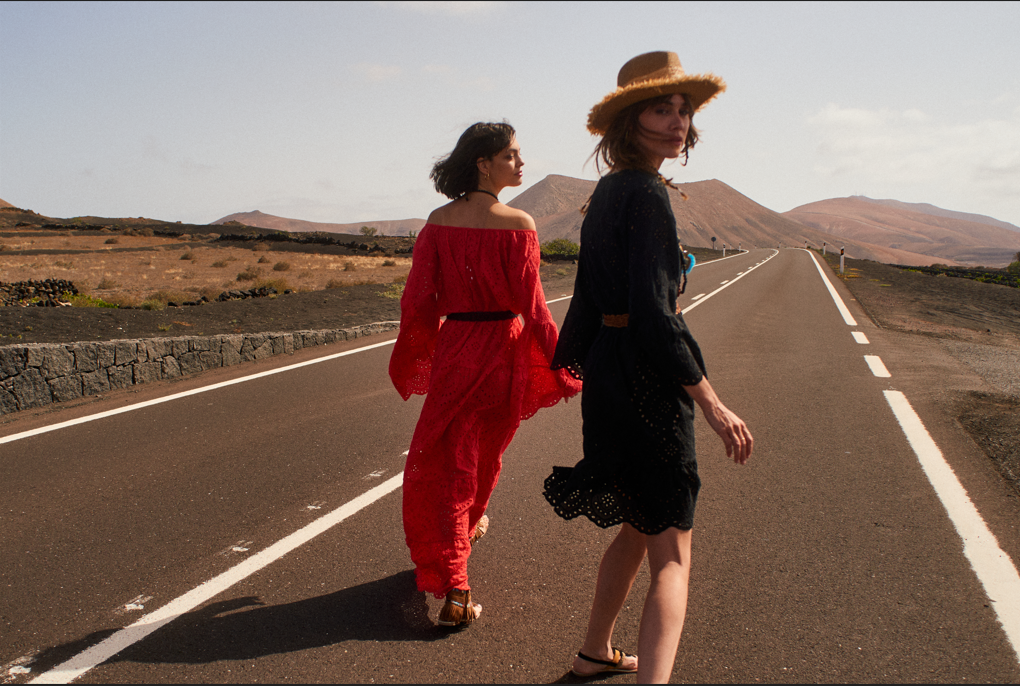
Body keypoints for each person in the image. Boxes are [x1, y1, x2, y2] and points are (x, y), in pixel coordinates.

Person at [543, 52, 754, 682]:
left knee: (639, 526)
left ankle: (593, 652)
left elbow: (589, 299)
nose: (677, 122)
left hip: (611, 374)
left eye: (683, 110)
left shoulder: (607, 191)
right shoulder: (646, 194)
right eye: (661, 109)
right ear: (628, 121)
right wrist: (713, 404)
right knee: (673, 555)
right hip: (646, 380)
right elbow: (657, 318)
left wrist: (588, 369)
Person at [389, 122, 582, 628]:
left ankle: (455, 576)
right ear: (483, 163)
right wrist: (564, 364)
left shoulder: (438, 222)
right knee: (485, 457)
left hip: (458, 350)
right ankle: (461, 547)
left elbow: (417, 301)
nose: (521, 163)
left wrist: (412, 355)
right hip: (505, 353)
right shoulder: (519, 224)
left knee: (448, 464)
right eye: (511, 155)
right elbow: (534, 308)